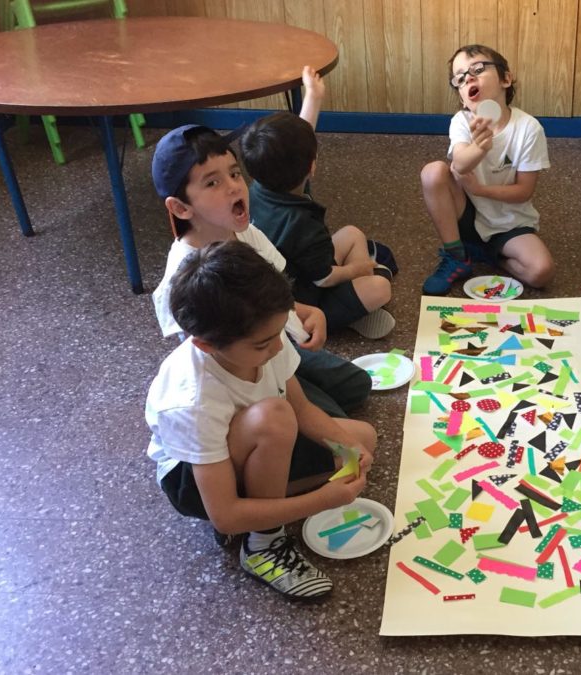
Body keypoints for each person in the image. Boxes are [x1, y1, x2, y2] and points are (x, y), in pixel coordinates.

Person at [146, 240, 377, 600]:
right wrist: (322, 500)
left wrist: (346, 447)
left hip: (260, 438)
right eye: (262, 344)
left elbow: (302, 409)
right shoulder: (190, 399)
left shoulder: (265, 340)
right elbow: (224, 515)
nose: (277, 349)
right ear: (206, 345)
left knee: (361, 438)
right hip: (193, 483)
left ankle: (257, 508)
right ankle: (263, 544)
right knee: (273, 417)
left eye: (278, 333)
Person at [151, 122, 371, 422]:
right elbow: (216, 358)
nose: (233, 186)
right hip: (243, 379)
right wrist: (285, 391)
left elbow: (274, 299)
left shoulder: (246, 234)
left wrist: (309, 313)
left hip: (275, 348)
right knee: (315, 420)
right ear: (180, 208)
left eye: (234, 173)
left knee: (356, 386)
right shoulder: (186, 273)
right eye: (212, 183)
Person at [241, 66, 397, 340]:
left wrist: (313, 97)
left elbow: (297, 140)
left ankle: (355, 302)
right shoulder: (302, 223)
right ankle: (342, 316)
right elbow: (323, 277)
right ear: (311, 167)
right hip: (302, 299)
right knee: (381, 284)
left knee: (352, 233)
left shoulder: (261, 183)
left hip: (292, 272)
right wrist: (356, 270)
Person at [420, 44, 555, 295]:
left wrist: (481, 190)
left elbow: (524, 191)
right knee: (433, 172)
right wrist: (480, 147)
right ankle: (456, 255)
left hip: (509, 223)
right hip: (467, 215)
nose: (468, 77)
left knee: (541, 271)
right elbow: (459, 164)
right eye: (459, 78)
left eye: (478, 69)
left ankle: (490, 255)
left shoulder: (528, 128)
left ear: (506, 78)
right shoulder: (461, 121)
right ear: (462, 96)